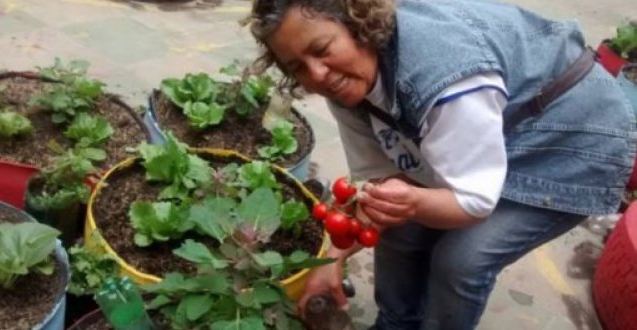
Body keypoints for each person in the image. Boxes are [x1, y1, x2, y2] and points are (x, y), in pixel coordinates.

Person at [246, 0, 637, 329]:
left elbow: (474, 203)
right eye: (296, 66)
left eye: (322, 49)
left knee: (462, 259)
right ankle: (395, 323)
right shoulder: (343, 82)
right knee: (400, 225)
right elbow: (378, 178)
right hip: (500, 118)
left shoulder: (445, 77)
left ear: (358, 27)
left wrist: (414, 203)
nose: (316, 75)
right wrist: (330, 258)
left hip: (573, 137)